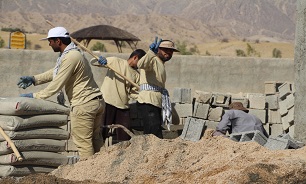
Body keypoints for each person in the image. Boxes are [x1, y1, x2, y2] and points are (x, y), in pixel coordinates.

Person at [17, 27, 105, 158]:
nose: (49, 44)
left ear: (58, 41)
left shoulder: (71, 57)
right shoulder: (72, 54)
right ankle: (103, 168)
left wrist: (36, 96)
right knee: (95, 139)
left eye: (50, 41)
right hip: (95, 101)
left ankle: (90, 175)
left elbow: (57, 83)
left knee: (83, 143)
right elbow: (56, 71)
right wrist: (35, 79)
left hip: (83, 104)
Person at [96, 49, 146, 144]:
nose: (141, 66)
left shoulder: (137, 75)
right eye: (141, 62)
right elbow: (95, 62)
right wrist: (100, 61)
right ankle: (98, 154)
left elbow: (133, 93)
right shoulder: (116, 62)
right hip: (107, 102)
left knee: (125, 136)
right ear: (135, 57)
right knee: (101, 131)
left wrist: (144, 97)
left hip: (123, 106)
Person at [136, 37, 179, 138]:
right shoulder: (153, 60)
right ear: (158, 49)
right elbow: (140, 64)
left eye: (171, 51)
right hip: (148, 101)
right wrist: (150, 52)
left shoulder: (160, 63)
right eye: (166, 50)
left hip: (155, 101)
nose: (168, 53)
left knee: (154, 132)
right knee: (153, 135)